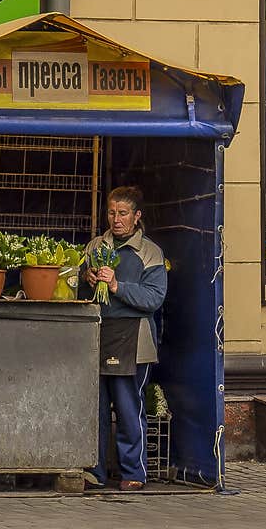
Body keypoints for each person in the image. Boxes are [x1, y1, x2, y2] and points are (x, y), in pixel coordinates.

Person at [80, 185, 167, 492]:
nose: (116, 219)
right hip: (98, 334)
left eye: (123, 213)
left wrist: (117, 286)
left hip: (134, 339)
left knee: (130, 407)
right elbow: (77, 290)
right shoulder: (95, 246)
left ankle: (134, 472)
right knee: (96, 409)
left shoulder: (150, 252)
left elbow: (155, 298)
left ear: (137, 216)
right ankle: (95, 472)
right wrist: (86, 278)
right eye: (112, 212)